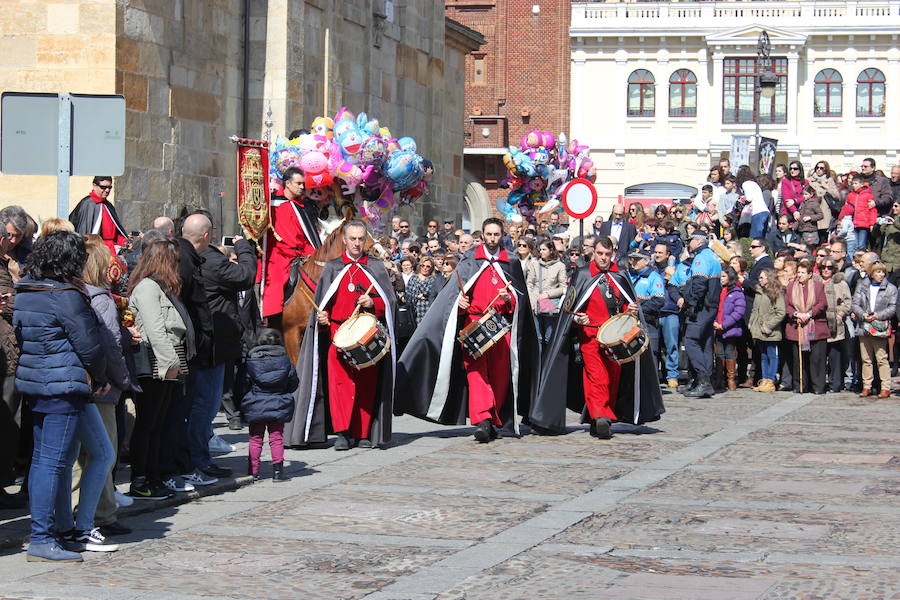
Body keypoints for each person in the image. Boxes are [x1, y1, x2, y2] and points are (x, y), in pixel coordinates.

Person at [396, 218, 540, 442]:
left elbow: (520, 300)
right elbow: (452, 295)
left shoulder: (510, 261)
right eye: (489, 234)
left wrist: (509, 298)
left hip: (500, 327)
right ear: (483, 235)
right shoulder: (470, 259)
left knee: (500, 377)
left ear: (502, 235)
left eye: (496, 235)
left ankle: (494, 419)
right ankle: (482, 420)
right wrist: (459, 304)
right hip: (473, 323)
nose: (492, 239)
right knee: (476, 373)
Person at [14, 231, 108, 562]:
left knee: (45, 461)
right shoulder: (64, 294)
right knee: (51, 463)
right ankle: (42, 537)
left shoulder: (25, 289)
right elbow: (88, 344)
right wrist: (99, 375)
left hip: (36, 382)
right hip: (63, 384)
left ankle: (54, 531)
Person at [532, 236, 665, 437]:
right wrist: (578, 318)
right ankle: (600, 416)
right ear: (593, 252)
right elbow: (569, 309)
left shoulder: (620, 274)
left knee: (613, 378)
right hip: (590, 335)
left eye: (607, 254)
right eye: (600, 254)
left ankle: (601, 417)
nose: (603, 258)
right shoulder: (583, 274)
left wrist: (630, 308)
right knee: (597, 377)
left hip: (615, 337)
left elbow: (625, 303)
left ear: (612, 254)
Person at [290, 221, 397, 450]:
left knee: (367, 385)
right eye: (353, 239)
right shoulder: (332, 267)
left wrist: (373, 302)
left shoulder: (376, 267)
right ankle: (343, 432)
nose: (357, 243)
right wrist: (322, 319)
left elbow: (390, 302)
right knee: (340, 386)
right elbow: (322, 302)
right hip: (338, 335)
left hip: (367, 337)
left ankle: (363, 433)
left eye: (361, 239)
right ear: (345, 241)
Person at [60, 237, 132, 545]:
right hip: (100, 387)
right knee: (103, 452)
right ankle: (100, 513)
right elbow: (110, 346)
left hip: (82, 384)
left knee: (81, 456)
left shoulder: (75, 295)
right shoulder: (100, 299)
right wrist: (121, 379)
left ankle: (79, 511)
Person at [190, 215, 256, 477]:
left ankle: (197, 455)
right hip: (212, 343)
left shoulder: (185, 255)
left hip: (203, 340)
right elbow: (246, 275)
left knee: (202, 403)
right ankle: (198, 459)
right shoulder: (211, 260)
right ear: (207, 236)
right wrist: (243, 248)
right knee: (205, 404)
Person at [128, 239, 186, 499]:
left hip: (164, 362)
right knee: (148, 424)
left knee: (157, 424)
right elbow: (155, 329)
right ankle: (141, 480)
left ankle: (152, 476)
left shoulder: (158, 288)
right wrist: (171, 364)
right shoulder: (148, 288)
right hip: (155, 364)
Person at [262, 167, 321, 324]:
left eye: (303, 184)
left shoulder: (301, 207)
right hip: (278, 254)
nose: (302, 187)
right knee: (276, 281)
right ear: (287, 183)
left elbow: (307, 237)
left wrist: (313, 253)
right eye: (299, 183)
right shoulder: (272, 204)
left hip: (301, 254)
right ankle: (271, 319)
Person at [241, 328, 298, 481]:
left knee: (255, 438)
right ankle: (278, 472)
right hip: (278, 403)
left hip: (256, 403)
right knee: (276, 437)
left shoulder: (251, 360)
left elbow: (244, 383)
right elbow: (293, 383)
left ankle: (253, 471)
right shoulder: (286, 360)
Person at [677, 232, 722, 398]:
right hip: (710, 305)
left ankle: (704, 382)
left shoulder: (700, 258)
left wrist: (692, 305)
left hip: (702, 306)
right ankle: (701, 381)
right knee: (705, 342)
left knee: (691, 341)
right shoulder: (712, 256)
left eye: (690, 241)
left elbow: (699, 285)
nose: (689, 244)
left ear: (697, 242)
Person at [853, 262, 897, 397]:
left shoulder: (890, 288)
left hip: (879, 326)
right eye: (878, 272)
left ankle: (885, 387)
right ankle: (867, 386)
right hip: (864, 325)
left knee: (881, 358)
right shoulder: (863, 285)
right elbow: (855, 303)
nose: (881, 275)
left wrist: (878, 315)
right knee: (866, 358)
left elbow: (892, 307)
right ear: (871, 273)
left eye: (883, 272)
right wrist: (862, 314)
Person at [785, 260, 828, 394]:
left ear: (810, 274)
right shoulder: (791, 287)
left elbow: (822, 303)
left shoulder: (818, 286)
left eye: (803, 273)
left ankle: (818, 387)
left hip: (815, 327)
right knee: (799, 360)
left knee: (817, 359)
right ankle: (801, 386)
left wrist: (809, 314)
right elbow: (787, 305)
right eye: (798, 272)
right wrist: (796, 314)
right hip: (796, 327)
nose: (800, 275)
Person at [68, 176, 128, 256]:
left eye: (109, 187)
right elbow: (82, 231)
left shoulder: (108, 205)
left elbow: (116, 231)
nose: (107, 190)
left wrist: (124, 241)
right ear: (94, 186)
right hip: (95, 250)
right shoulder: (87, 204)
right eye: (103, 187)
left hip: (110, 250)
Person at [627, 248, 666, 368]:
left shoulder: (654, 277)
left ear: (646, 261)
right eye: (632, 259)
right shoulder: (629, 274)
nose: (633, 262)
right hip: (629, 321)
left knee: (649, 354)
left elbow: (658, 301)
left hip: (647, 322)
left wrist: (639, 309)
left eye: (637, 259)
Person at [748, 269, 785, 393]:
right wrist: (752, 324)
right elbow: (755, 310)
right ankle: (764, 379)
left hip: (771, 331)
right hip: (759, 330)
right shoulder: (759, 292)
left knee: (772, 355)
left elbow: (780, 312)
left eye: (762, 277)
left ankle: (771, 380)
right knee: (763, 356)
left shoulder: (776, 293)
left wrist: (768, 326)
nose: (760, 280)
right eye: (759, 277)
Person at [526, 240, 566, 346]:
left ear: (551, 250)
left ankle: (547, 361)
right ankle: (538, 361)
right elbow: (529, 285)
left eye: (544, 249)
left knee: (549, 337)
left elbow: (563, 287)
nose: (541, 252)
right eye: (540, 249)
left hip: (550, 304)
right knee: (537, 338)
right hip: (535, 303)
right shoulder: (534, 264)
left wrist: (548, 294)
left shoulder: (560, 266)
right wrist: (531, 301)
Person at [820, 258, 852, 393]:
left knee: (835, 355)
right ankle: (821, 383)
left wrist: (840, 314)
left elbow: (848, 302)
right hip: (820, 322)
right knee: (820, 355)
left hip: (835, 324)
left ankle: (835, 383)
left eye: (829, 267)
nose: (826, 270)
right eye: (823, 267)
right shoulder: (816, 281)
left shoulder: (841, 283)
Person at [713, 267, 746, 390]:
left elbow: (738, 312)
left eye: (724, 276)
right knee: (719, 354)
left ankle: (731, 379)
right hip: (718, 328)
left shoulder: (737, 293)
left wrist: (724, 324)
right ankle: (719, 379)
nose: (721, 279)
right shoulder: (719, 291)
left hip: (729, 329)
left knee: (730, 353)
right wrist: (715, 322)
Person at [405, 256, 440, 324]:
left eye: (428, 266)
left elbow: (430, 294)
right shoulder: (413, 278)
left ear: (431, 268)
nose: (425, 268)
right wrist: (417, 296)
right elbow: (408, 294)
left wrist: (422, 295)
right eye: (422, 265)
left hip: (427, 311)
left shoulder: (433, 279)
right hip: (414, 312)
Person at [846, 173, 877, 251]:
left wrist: (872, 223)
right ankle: (855, 261)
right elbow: (846, 209)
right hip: (853, 224)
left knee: (862, 245)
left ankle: (862, 261)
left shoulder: (868, 195)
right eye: (853, 183)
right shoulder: (850, 195)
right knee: (855, 245)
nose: (854, 185)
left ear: (861, 184)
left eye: (856, 183)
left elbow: (872, 211)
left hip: (864, 224)